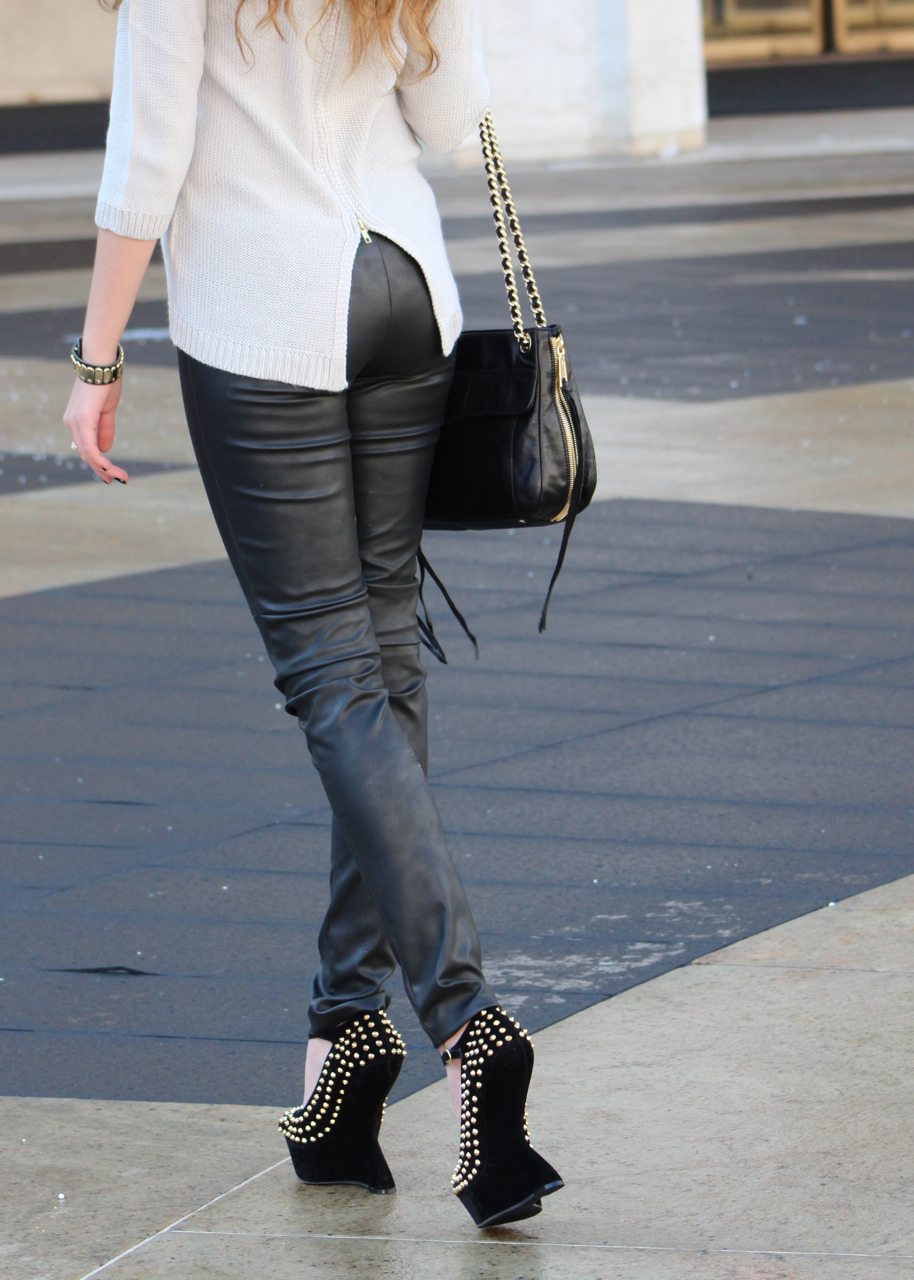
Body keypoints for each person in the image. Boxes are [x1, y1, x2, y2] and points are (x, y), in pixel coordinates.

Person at [63, 0, 563, 1229]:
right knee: (382, 666)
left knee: (334, 678)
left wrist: (95, 363)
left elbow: (148, 161)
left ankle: (464, 1020)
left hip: (265, 312)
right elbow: (452, 122)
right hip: (402, 291)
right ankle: (345, 1055)